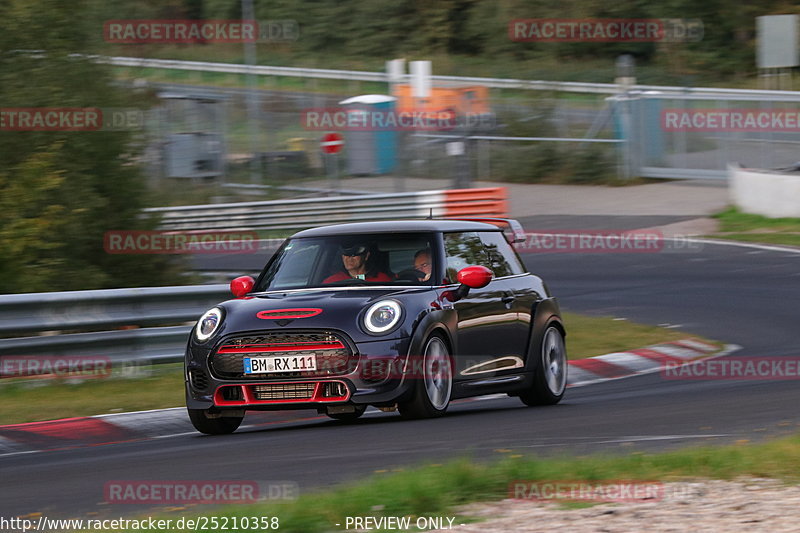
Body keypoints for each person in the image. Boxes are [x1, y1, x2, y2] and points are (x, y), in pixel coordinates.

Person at [323, 242, 393, 283]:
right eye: (346, 255)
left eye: (354, 255)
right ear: (342, 257)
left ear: (366, 256)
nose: (349, 259)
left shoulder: (382, 280)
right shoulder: (331, 282)